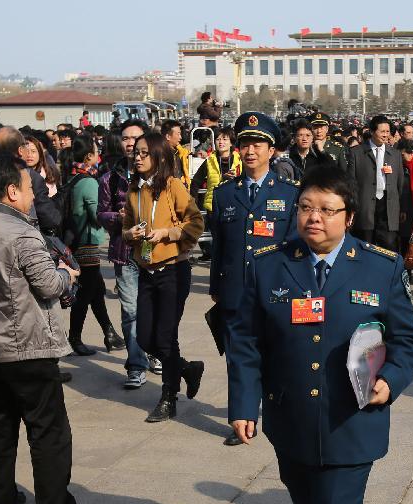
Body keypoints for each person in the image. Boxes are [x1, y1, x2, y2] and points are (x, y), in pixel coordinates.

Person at [227, 165, 413, 504]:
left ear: (348, 217)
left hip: (352, 421)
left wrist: (391, 381)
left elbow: (407, 341)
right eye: (305, 208)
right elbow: (246, 342)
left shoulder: (379, 268)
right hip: (291, 419)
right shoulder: (269, 266)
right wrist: (245, 404)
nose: (313, 219)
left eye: (326, 210)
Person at [0, 154, 95, 504]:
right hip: (27, 345)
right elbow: (48, 285)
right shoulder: (21, 233)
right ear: (11, 191)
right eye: (30, 189)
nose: (34, 195)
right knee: (48, 429)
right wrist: (67, 275)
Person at [208, 111, 299, 446]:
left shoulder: (290, 194)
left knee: (278, 356)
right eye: (245, 143)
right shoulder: (225, 194)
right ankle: (243, 417)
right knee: (238, 358)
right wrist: (217, 286)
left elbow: (294, 248)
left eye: (258, 144)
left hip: (275, 292)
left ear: (271, 150)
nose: (250, 150)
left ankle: (279, 413)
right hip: (235, 289)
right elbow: (220, 245)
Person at [122, 132, 204, 423]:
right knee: (145, 337)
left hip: (173, 269)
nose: (138, 157)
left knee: (165, 337)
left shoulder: (173, 186)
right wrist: (128, 234)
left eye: (145, 152)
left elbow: (195, 221)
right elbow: (126, 227)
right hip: (146, 270)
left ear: (158, 156)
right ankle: (186, 369)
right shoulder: (134, 191)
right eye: (136, 153)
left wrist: (167, 233)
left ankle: (168, 397)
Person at [98, 118, 156, 388]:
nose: (131, 143)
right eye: (126, 138)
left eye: (136, 138)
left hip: (155, 252)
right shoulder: (111, 178)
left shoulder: (161, 175)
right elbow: (102, 213)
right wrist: (118, 217)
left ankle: (155, 351)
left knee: (156, 307)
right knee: (130, 310)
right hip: (125, 252)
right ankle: (136, 364)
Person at [64, 134, 126, 357]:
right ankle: (74, 338)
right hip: (87, 242)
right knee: (86, 293)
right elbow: (95, 214)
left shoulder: (74, 177)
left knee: (97, 290)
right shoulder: (89, 182)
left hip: (79, 242)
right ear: (89, 156)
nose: (99, 155)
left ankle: (110, 334)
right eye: (95, 151)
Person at [346, 114, 403, 252]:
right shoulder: (357, 153)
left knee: (389, 245)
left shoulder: (395, 154)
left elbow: (400, 183)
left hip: (387, 205)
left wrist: (402, 207)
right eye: (382, 131)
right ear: (372, 132)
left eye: (387, 132)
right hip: (365, 206)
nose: (385, 135)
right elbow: (350, 183)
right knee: (365, 244)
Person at [0, 126, 61, 234]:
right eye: (26, 149)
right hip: (24, 237)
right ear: (20, 150)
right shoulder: (29, 176)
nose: (29, 154)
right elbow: (50, 218)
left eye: (33, 151)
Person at [190, 126, 241, 213]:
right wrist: (194, 205)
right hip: (213, 207)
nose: (221, 142)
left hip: (235, 205)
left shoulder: (240, 160)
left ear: (231, 143)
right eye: (218, 139)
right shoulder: (210, 161)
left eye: (225, 139)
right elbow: (195, 182)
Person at [161, 119, 190, 190]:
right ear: (168, 136)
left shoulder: (179, 152)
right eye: (178, 134)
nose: (180, 137)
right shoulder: (161, 155)